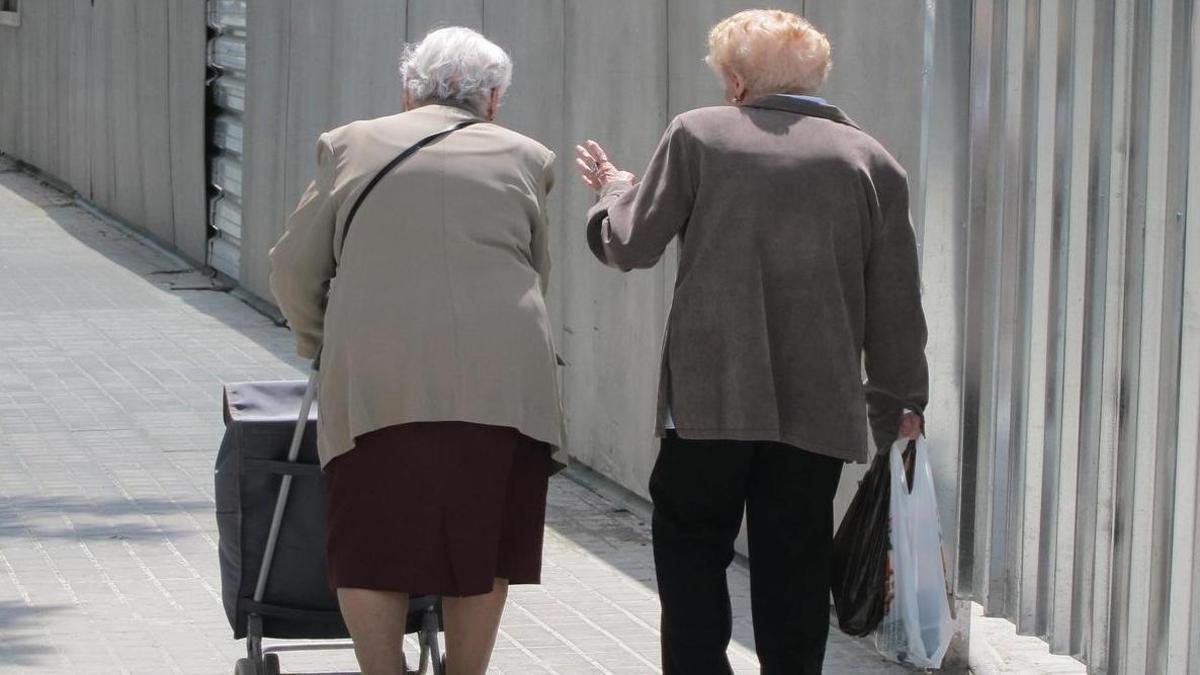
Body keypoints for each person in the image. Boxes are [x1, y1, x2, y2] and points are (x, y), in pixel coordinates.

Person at [574, 10, 927, 674]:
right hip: (818, 409)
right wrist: (900, 410)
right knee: (795, 567)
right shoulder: (873, 162)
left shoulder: (701, 136)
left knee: (689, 547)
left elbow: (629, 243)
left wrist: (613, 193)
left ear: (736, 82)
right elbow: (896, 308)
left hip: (709, 400)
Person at [268, 27, 564, 675]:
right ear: (492, 98)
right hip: (501, 383)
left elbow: (292, 271)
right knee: (481, 544)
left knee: (369, 540)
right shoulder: (527, 157)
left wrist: (325, 344)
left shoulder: (351, 145)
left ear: (407, 90)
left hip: (378, 380)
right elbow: (536, 273)